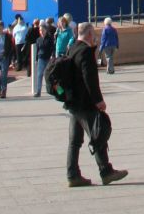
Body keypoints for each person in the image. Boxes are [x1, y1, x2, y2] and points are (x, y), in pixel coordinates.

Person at [65, 22, 128, 188]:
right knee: (97, 136)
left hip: (73, 103)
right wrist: (98, 100)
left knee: (74, 141)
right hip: (85, 104)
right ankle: (106, 172)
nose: (96, 37)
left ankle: (72, 175)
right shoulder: (85, 52)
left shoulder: (72, 48)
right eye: (94, 34)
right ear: (88, 34)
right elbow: (89, 79)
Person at [34, 21, 55, 97]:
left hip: (48, 58)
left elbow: (53, 48)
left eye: (42, 30)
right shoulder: (38, 40)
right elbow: (37, 50)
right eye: (40, 30)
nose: (41, 32)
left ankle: (54, 90)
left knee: (50, 75)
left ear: (46, 30)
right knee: (39, 75)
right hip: (41, 58)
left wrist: (52, 56)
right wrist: (36, 59)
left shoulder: (49, 38)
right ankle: (38, 91)